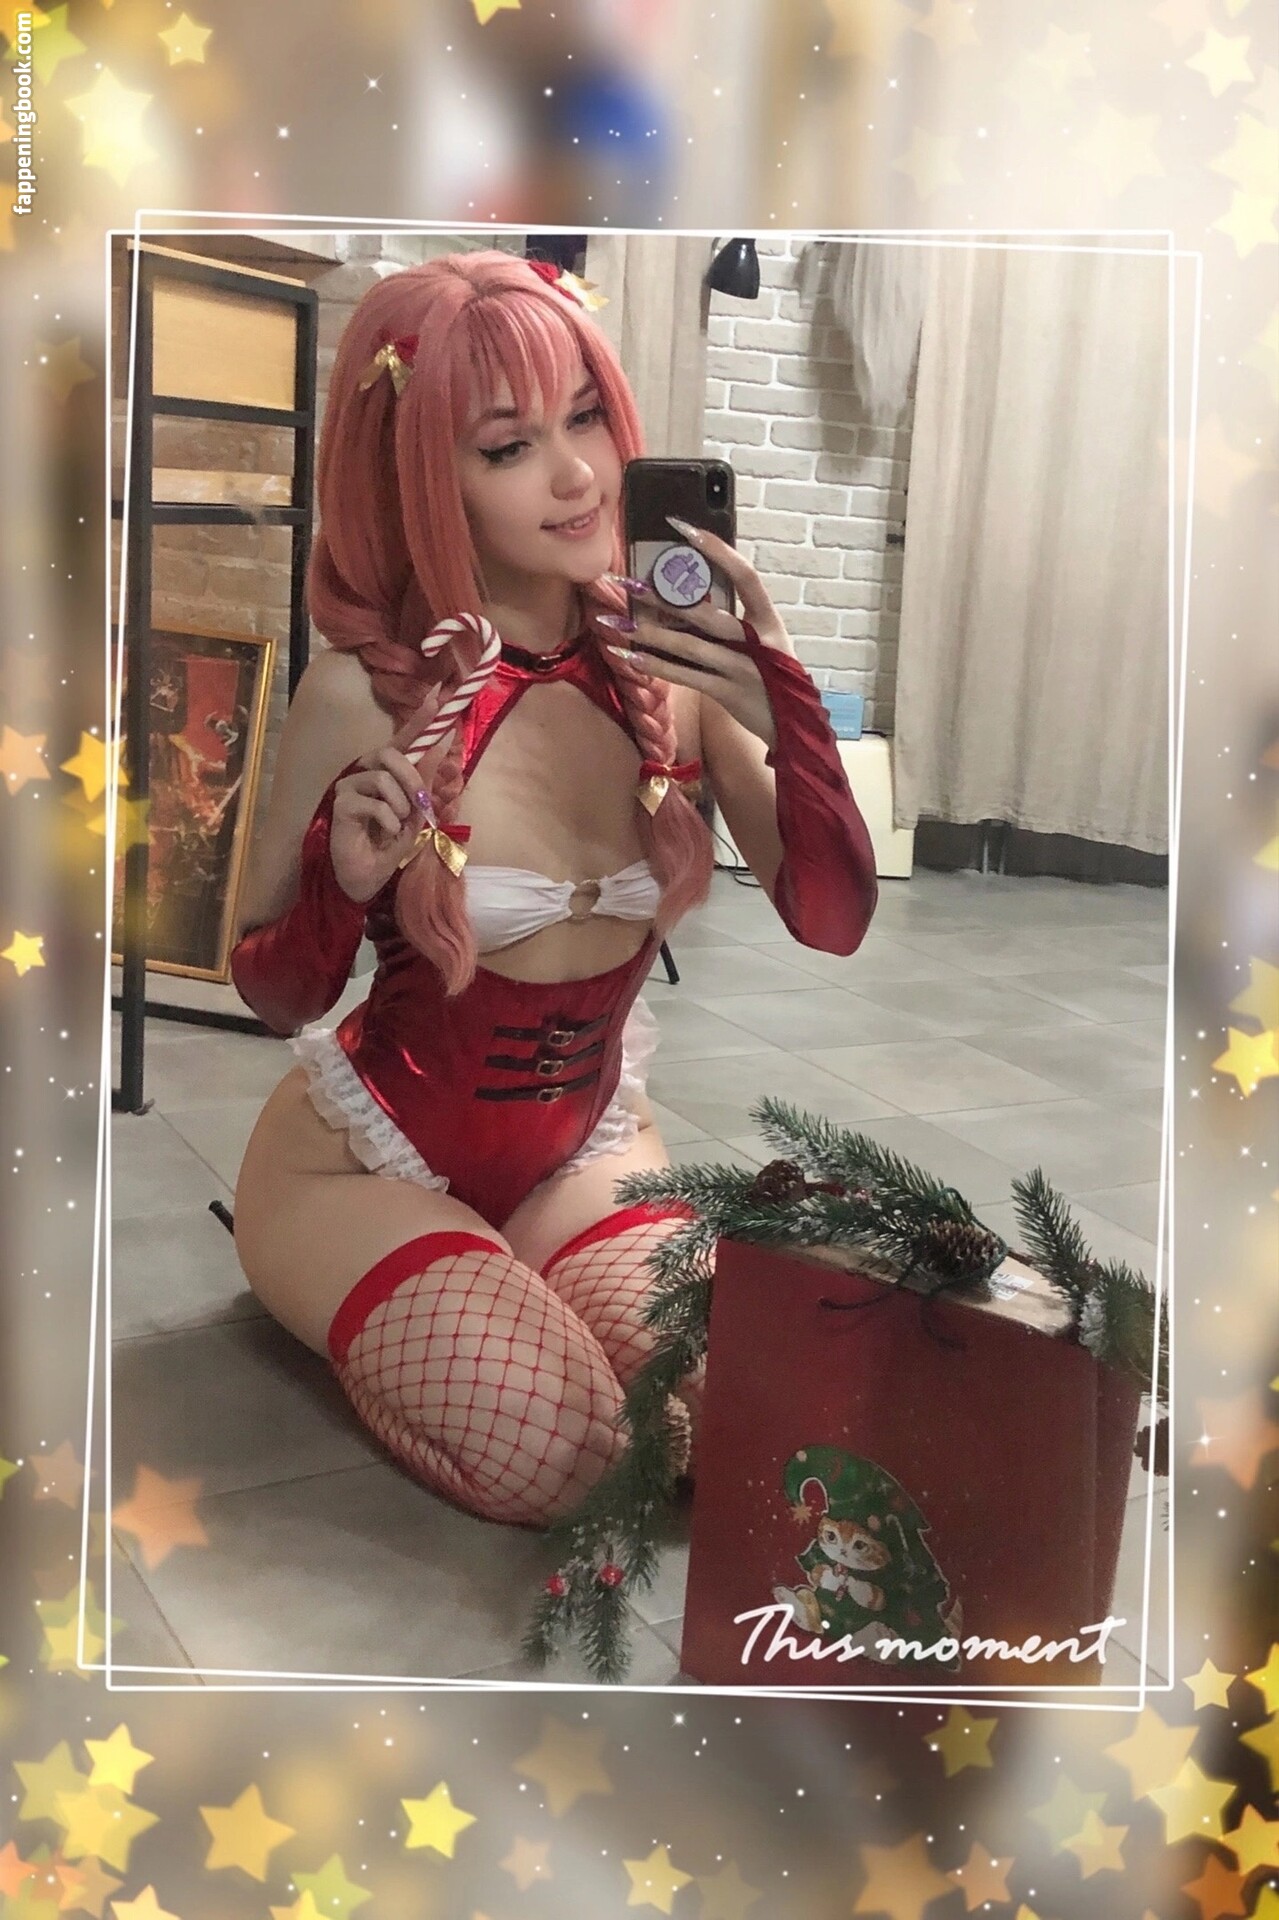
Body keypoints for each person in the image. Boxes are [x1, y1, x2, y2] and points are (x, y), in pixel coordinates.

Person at [230, 249, 878, 1528]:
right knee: (564, 1455)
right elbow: (272, 991)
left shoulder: (672, 674)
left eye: (586, 418)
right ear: (426, 475)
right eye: (509, 446)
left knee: (747, 1409)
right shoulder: (361, 697)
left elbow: (833, 920)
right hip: (357, 1171)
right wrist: (335, 882)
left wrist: (787, 712)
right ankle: (418, 1312)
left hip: (580, 1154)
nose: (578, 475)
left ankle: (506, 1294)